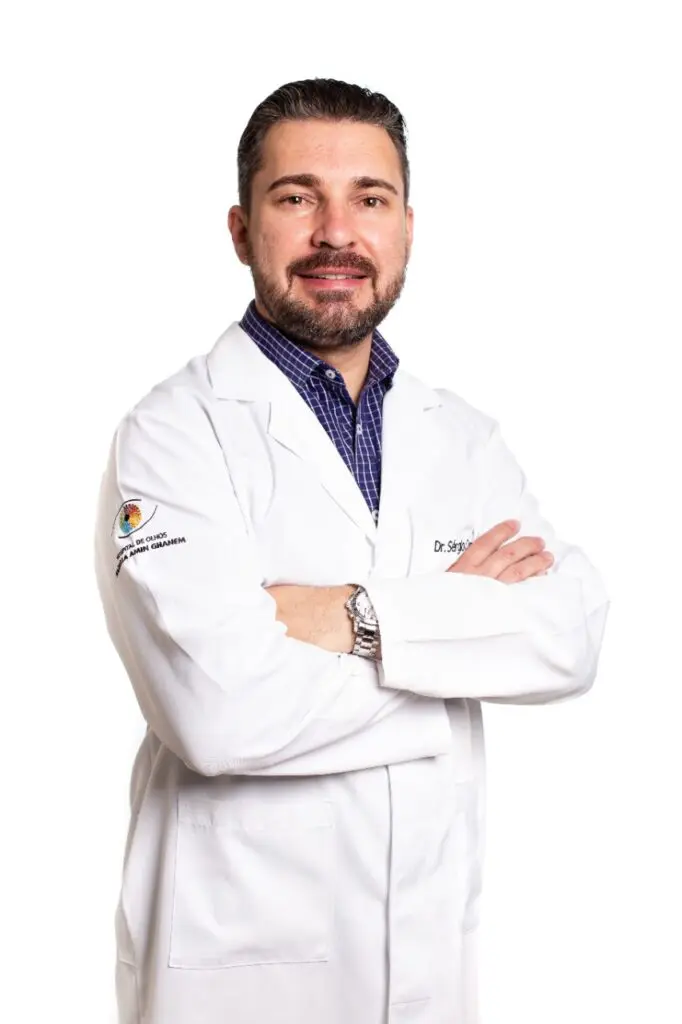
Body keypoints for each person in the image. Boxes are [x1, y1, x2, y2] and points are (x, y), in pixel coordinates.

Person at [94, 77, 609, 1024]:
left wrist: (357, 617)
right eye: (298, 197)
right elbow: (217, 711)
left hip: (428, 966)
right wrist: (454, 657)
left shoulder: (462, 437)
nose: (337, 233)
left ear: (407, 227)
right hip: (238, 977)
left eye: (369, 199)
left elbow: (571, 634)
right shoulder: (172, 435)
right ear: (241, 230)